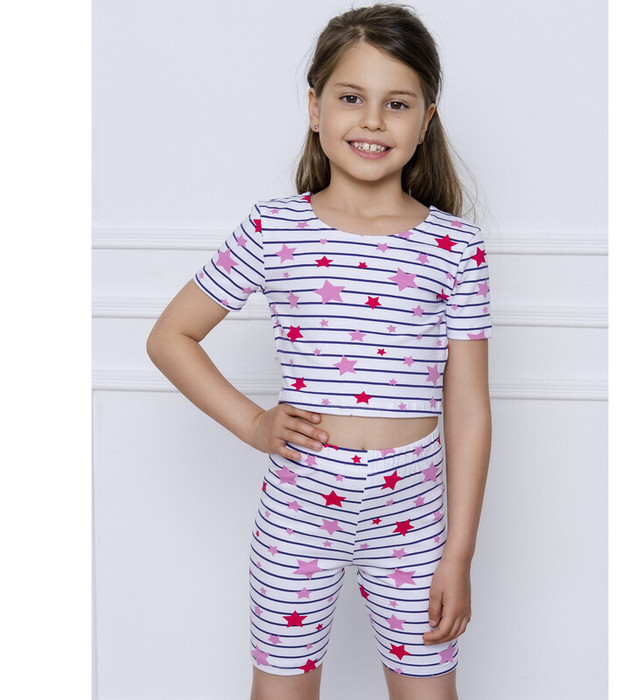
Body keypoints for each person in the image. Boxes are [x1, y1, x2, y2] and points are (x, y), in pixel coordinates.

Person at [146, 4, 492, 699]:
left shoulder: (456, 247)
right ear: (315, 108)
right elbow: (170, 337)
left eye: (397, 104)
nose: (373, 121)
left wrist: (459, 554)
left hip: (412, 517)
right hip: (299, 508)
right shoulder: (274, 229)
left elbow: (470, 410)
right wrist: (253, 423)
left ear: (425, 120)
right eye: (351, 98)